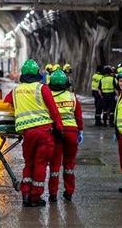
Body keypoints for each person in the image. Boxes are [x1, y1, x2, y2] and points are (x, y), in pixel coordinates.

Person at [3, 59, 64, 207]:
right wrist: (60, 129)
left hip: (28, 134)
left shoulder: (16, 90)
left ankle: (25, 195)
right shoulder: (42, 88)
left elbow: (6, 101)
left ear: (23, 74)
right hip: (45, 133)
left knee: (28, 163)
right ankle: (35, 197)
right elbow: (54, 110)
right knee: (41, 164)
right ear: (38, 73)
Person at [47, 70, 84, 202]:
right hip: (71, 132)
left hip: (55, 132)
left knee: (54, 165)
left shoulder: (48, 96)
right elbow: (78, 116)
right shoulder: (71, 96)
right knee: (69, 164)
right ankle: (69, 192)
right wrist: (80, 130)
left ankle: (52, 194)